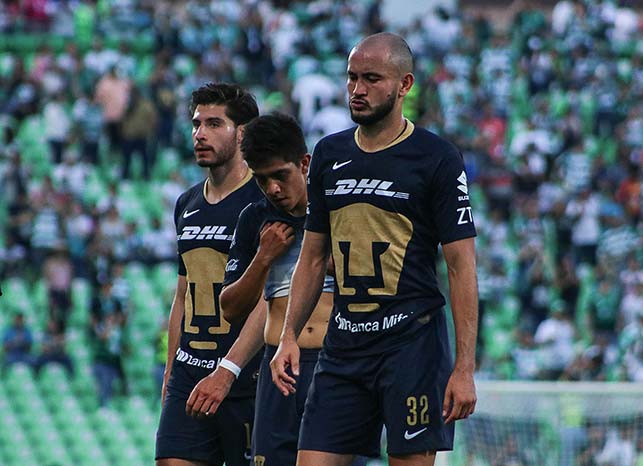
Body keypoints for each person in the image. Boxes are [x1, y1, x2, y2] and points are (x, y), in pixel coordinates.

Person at [270, 32, 479, 466]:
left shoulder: (437, 157)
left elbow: (461, 267)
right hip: (343, 347)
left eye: (371, 79)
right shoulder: (329, 153)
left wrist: (464, 368)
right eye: (351, 78)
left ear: (404, 85)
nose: (357, 90)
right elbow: (311, 258)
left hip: (412, 346)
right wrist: (288, 335)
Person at [186, 113, 365, 466]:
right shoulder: (255, 219)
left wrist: (339, 265)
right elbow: (233, 308)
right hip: (275, 367)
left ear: (304, 163)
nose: (273, 189)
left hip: (333, 362)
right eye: (262, 179)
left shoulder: (339, 210)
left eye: (280, 176)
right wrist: (263, 258)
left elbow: (377, 288)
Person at [155, 82, 264, 466]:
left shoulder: (263, 200)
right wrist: (171, 370)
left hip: (245, 375)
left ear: (243, 133)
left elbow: (272, 297)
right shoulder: (186, 203)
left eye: (214, 123)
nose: (200, 133)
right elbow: (183, 293)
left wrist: (229, 370)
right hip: (190, 370)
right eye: (197, 123)